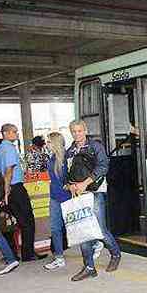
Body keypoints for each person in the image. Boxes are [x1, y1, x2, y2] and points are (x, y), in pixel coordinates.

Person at [65, 119, 121, 281]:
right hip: (79, 195)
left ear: (85, 131)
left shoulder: (95, 146)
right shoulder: (70, 151)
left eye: (79, 131)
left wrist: (84, 183)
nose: (77, 134)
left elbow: (103, 167)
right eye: (74, 131)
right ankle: (89, 267)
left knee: (100, 230)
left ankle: (116, 254)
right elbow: (69, 173)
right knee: (83, 231)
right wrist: (70, 185)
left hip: (95, 192)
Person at [0, 124, 42, 261]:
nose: (17, 134)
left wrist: (3, 193)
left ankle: (12, 253)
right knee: (27, 221)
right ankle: (28, 254)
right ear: (5, 133)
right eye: (14, 132)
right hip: (14, 188)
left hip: (2, 190)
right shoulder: (9, 148)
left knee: (8, 222)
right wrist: (7, 191)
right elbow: (9, 171)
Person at [43, 132, 71, 271]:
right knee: (55, 228)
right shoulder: (52, 158)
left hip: (67, 198)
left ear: (55, 143)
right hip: (55, 198)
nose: (46, 144)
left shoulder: (67, 158)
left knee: (74, 226)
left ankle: (95, 242)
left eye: (49, 141)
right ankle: (59, 257)